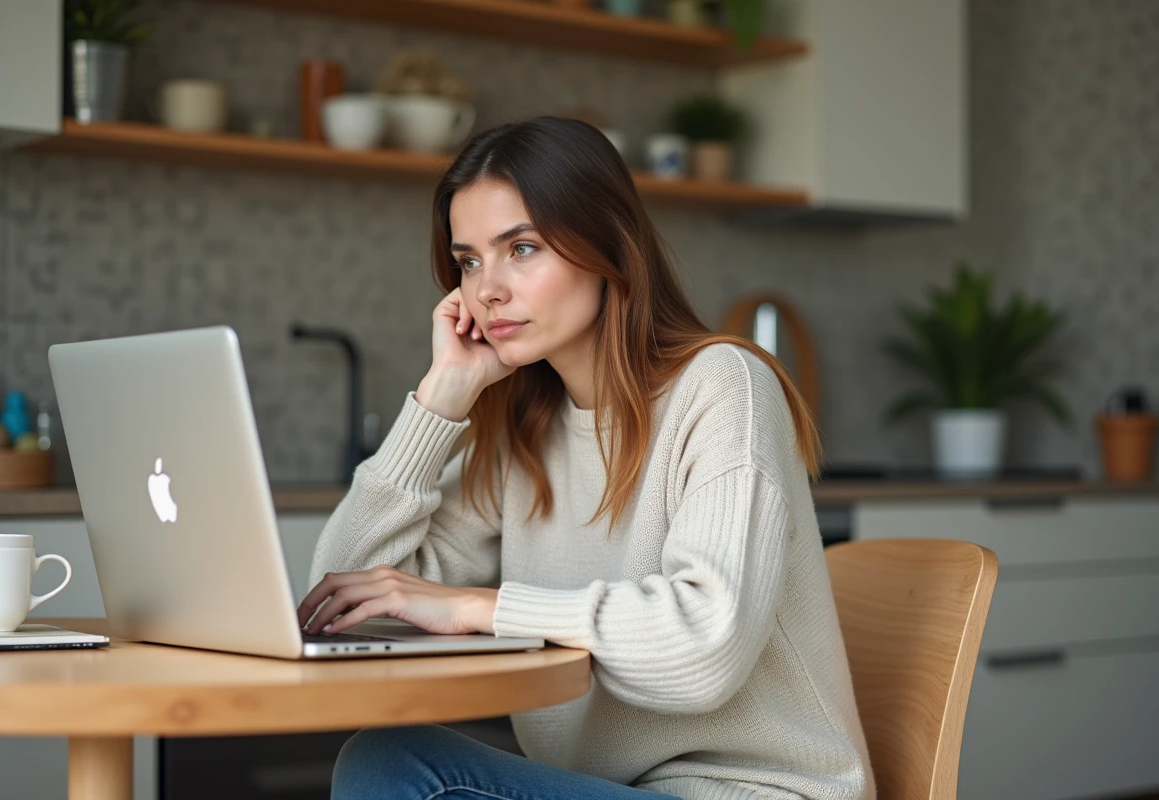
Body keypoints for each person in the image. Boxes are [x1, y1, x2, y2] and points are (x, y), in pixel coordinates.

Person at [299, 116, 874, 800]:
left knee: (397, 769)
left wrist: (477, 607)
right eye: (469, 260)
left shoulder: (722, 384)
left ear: (609, 246)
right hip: (605, 788)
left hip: (751, 792)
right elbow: (339, 601)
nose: (486, 290)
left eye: (522, 248)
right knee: (381, 757)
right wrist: (439, 401)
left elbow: (704, 650)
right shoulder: (522, 432)